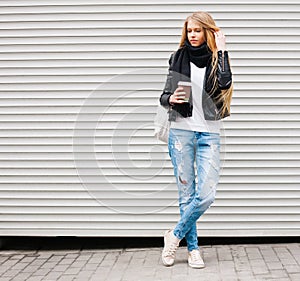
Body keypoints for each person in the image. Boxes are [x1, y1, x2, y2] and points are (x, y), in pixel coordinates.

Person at [159, 11, 233, 268]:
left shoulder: (216, 59)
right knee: (186, 195)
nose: (192, 35)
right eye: (189, 30)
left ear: (207, 32)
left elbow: (224, 83)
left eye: (197, 30)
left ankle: (174, 235)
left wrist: (222, 50)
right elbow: (164, 95)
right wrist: (170, 99)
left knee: (206, 195)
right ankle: (193, 250)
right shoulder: (177, 58)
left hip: (209, 133)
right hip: (181, 131)